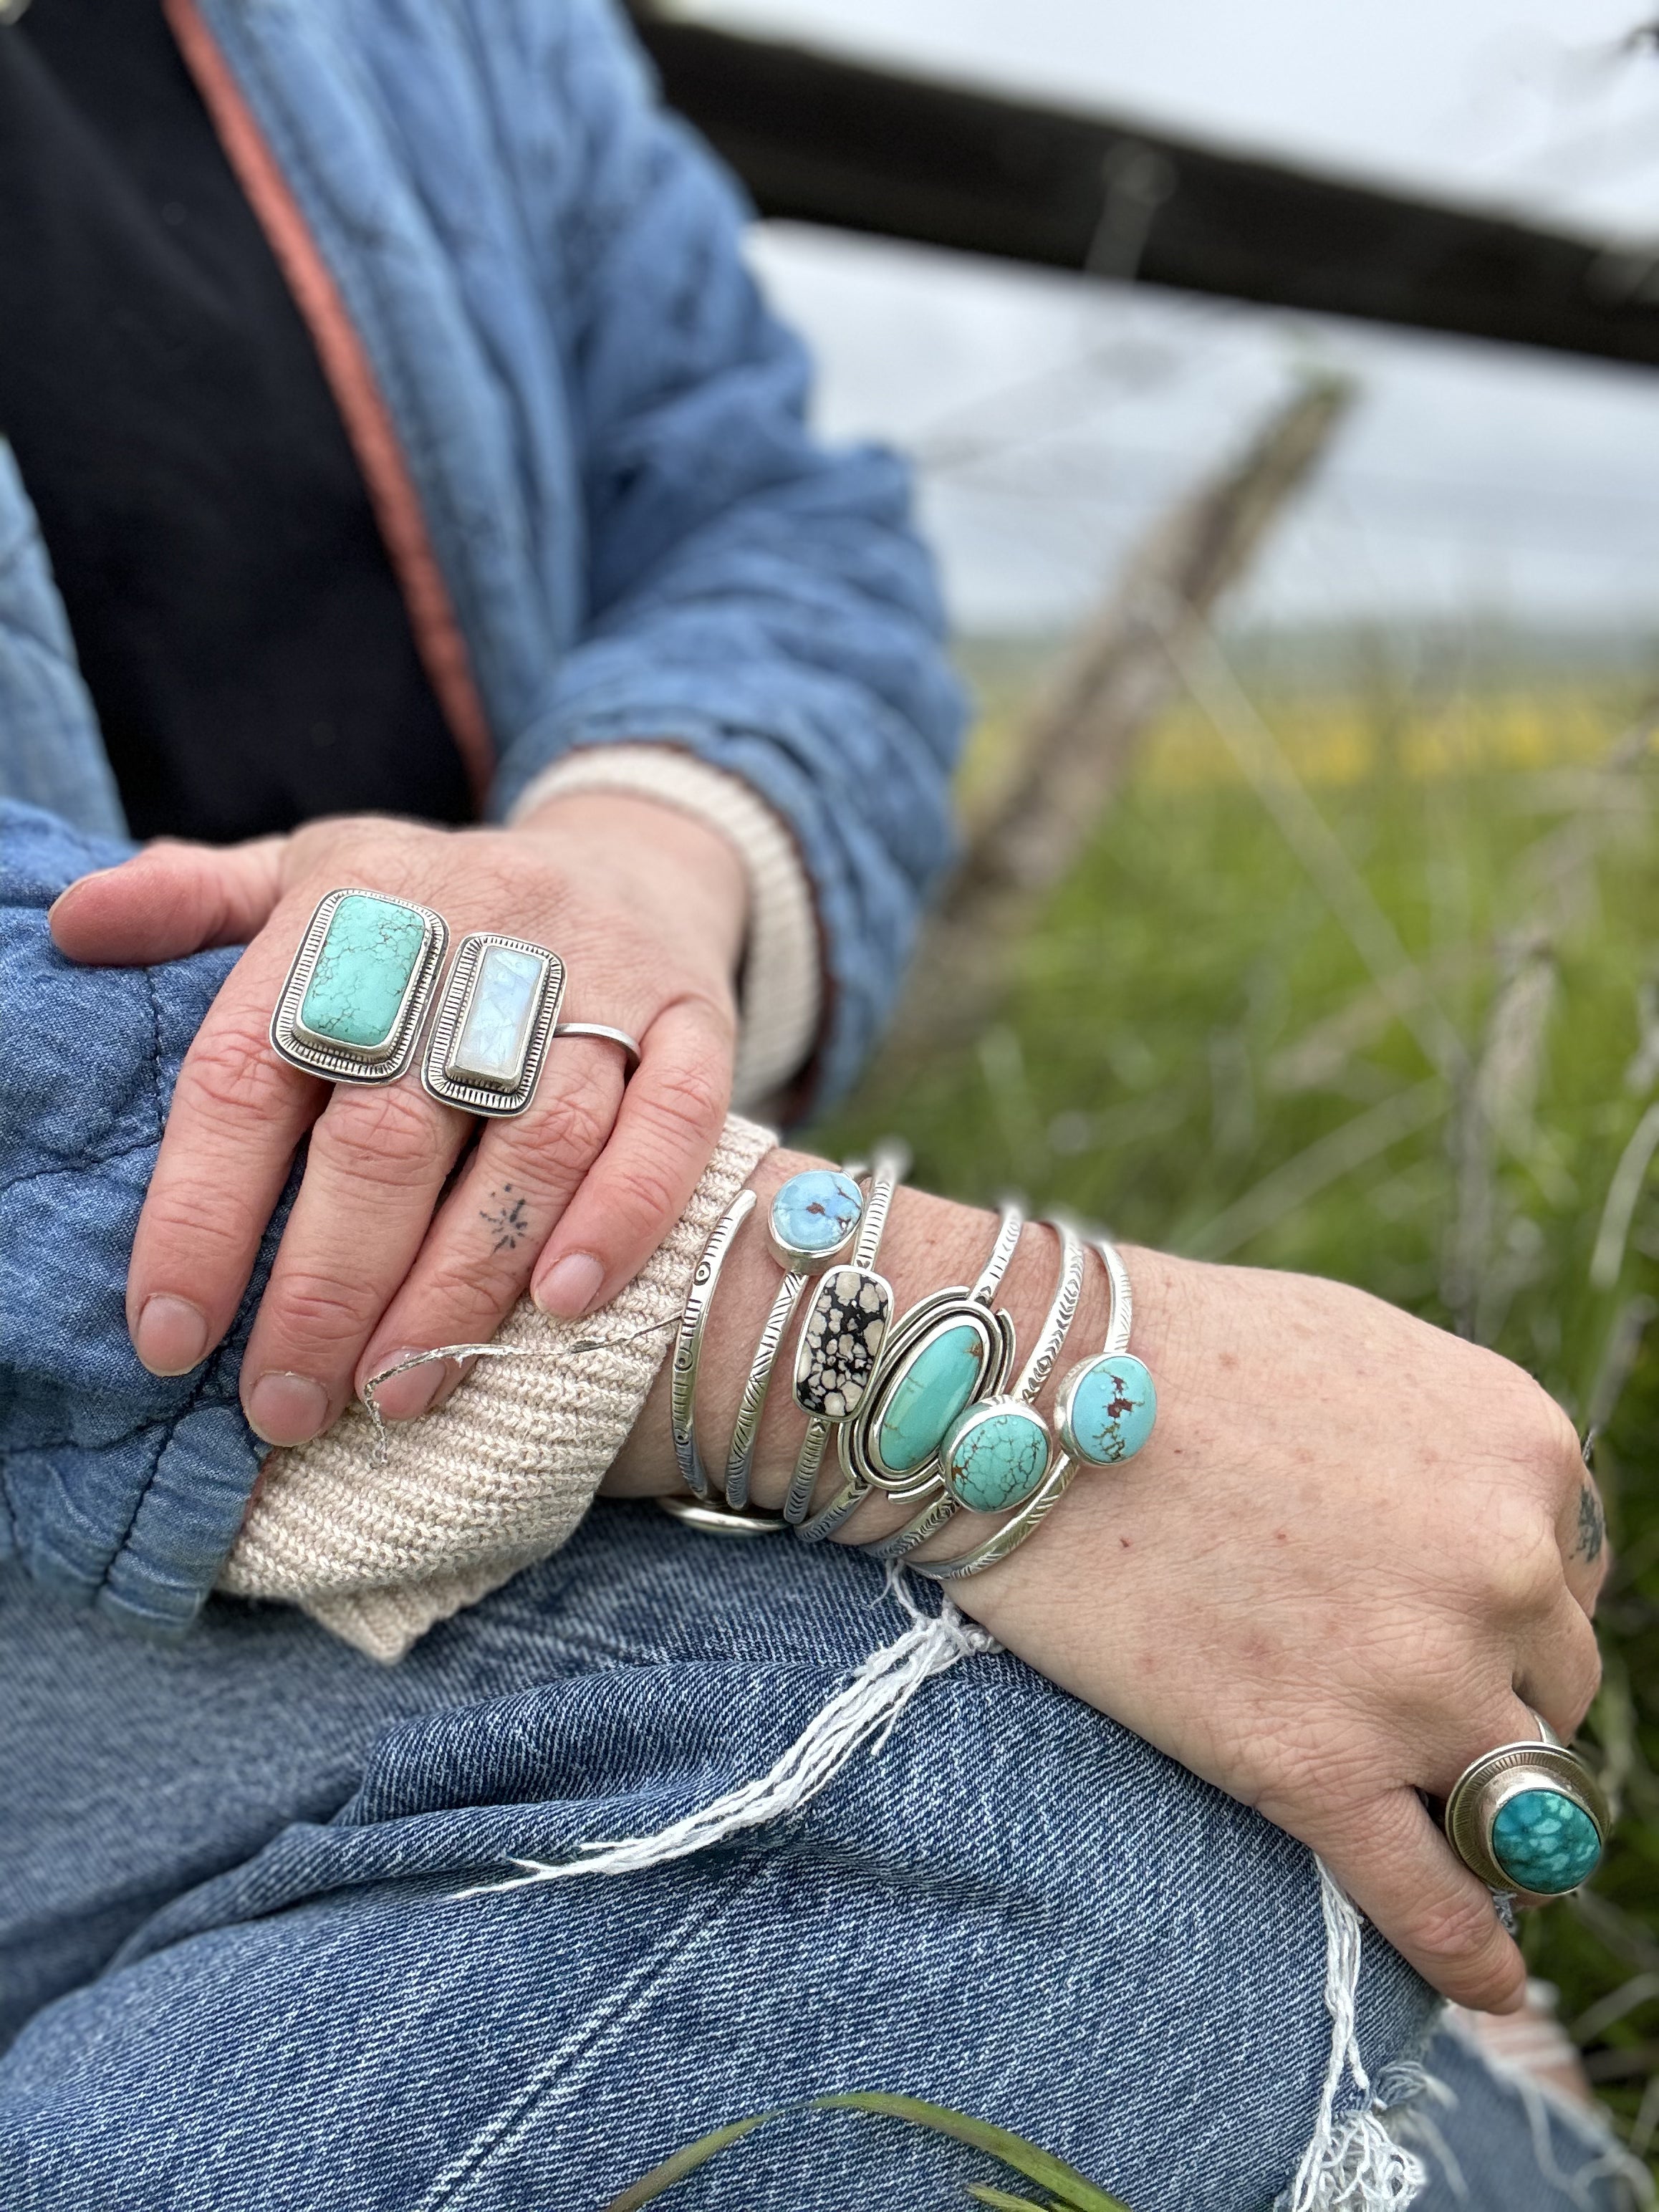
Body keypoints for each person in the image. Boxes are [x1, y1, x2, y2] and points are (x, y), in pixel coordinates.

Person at [0, 1, 1635, 2206]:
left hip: (413, 1469)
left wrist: (643, 858)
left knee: (1184, 1796)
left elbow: (773, 513)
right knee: (1019, 1844)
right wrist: (860, 1342)